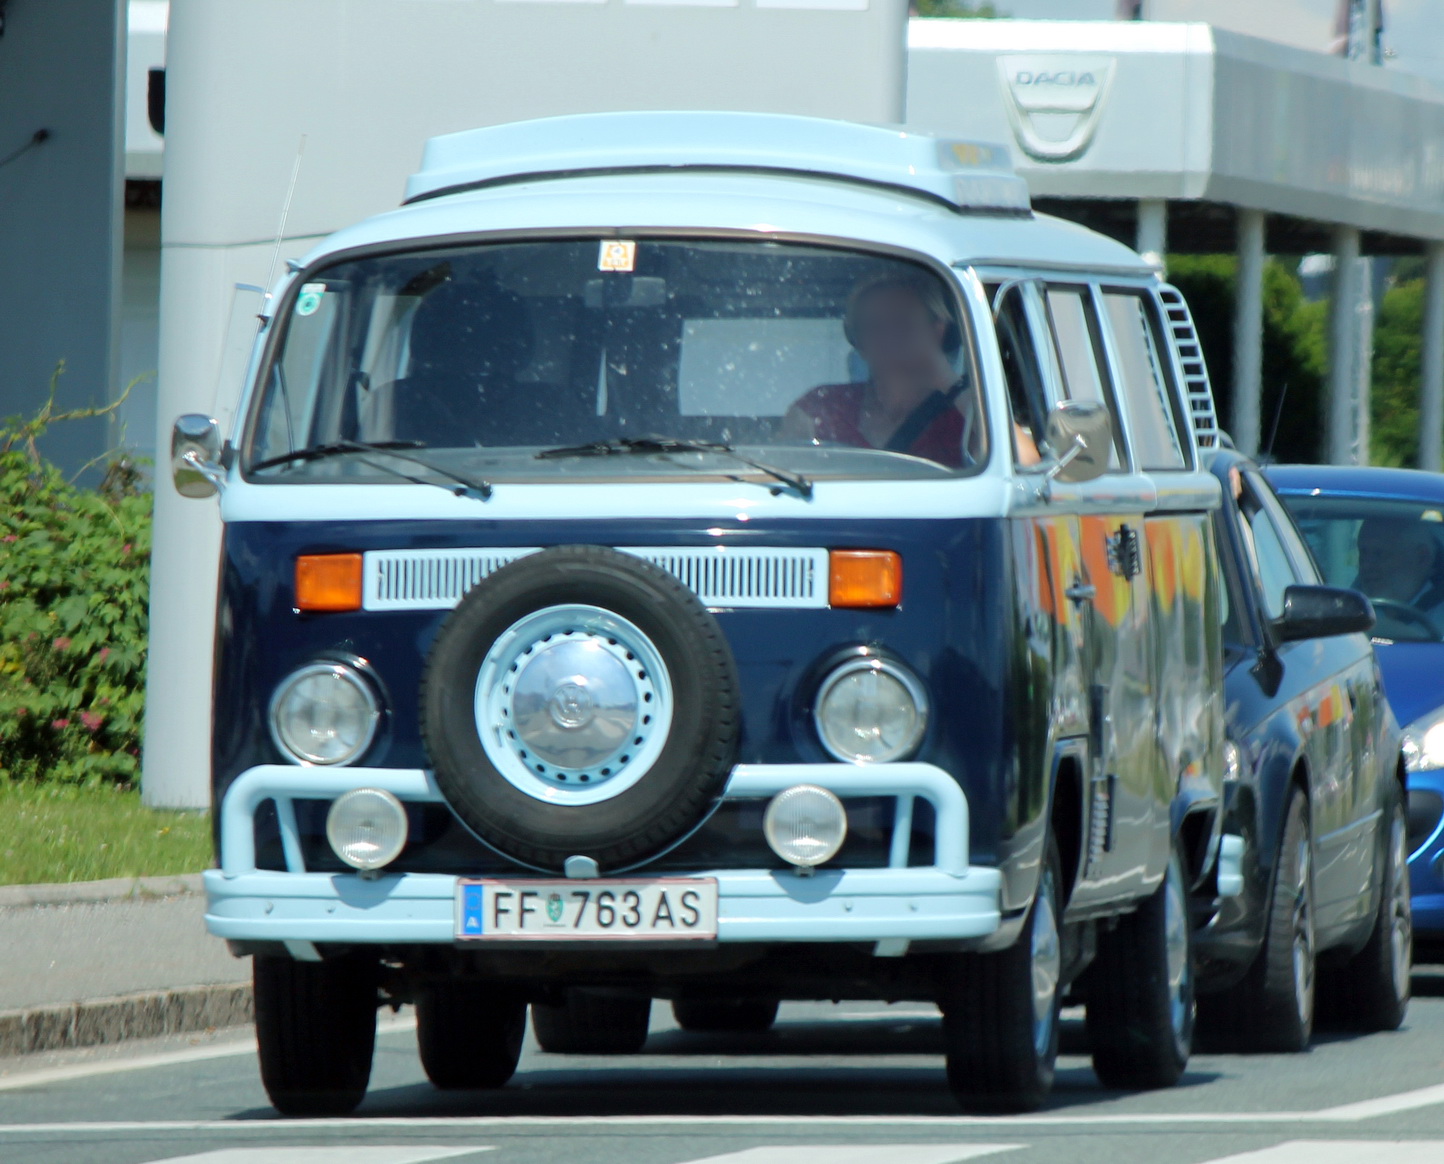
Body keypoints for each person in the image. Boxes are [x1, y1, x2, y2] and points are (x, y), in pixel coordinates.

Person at [782, 271, 1037, 469]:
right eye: (873, 326)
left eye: (903, 324)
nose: (889, 338)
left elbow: (1024, 462)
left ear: (938, 330)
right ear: (857, 341)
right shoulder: (822, 407)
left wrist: (946, 378)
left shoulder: (965, 414)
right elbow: (779, 475)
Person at [1354, 515, 1444, 620]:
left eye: (1379, 554)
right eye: (1363, 554)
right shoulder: (1352, 612)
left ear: (1422, 558)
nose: (1366, 566)